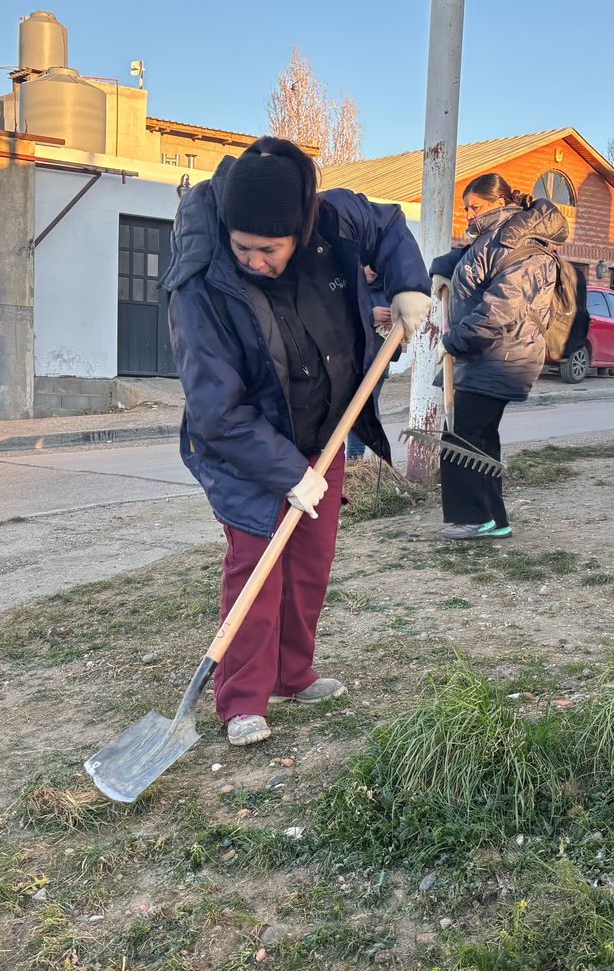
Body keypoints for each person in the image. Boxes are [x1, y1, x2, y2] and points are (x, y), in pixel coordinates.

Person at [164, 137, 431, 747]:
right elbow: (215, 411)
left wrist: (408, 284)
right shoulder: (200, 284)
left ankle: (292, 674)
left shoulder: (330, 219)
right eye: (245, 248)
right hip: (245, 448)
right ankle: (241, 701)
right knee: (257, 569)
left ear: (299, 228)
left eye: (270, 249)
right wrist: (286, 471)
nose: (255, 260)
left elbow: (388, 223)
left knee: (309, 562)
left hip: (324, 432)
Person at [432, 172, 569, 541]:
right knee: (478, 437)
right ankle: (494, 519)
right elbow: (472, 261)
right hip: (487, 355)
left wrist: (454, 341)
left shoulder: (525, 246)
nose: (469, 215)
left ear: (499, 203)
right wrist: (444, 267)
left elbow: (501, 310)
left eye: (474, 207)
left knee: (463, 436)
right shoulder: (497, 237)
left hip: (502, 356)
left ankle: (476, 519)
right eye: (466, 209)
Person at [346, 265, 392, 461]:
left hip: (377, 361)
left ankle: (357, 462)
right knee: (358, 412)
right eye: (367, 264)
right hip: (351, 361)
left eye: (376, 264)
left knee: (362, 412)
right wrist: (370, 315)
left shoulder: (388, 290)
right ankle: (363, 462)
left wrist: (393, 321)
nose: (373, 269)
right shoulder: (346, 286)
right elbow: (339, 317)